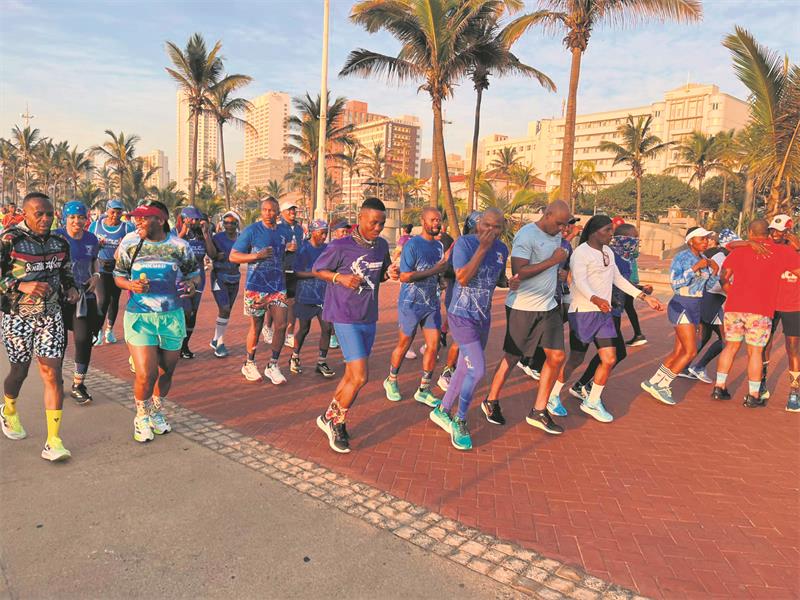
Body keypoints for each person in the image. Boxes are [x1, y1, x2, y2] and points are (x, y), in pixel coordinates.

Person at [550, 217, 663, 422]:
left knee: (610, 358)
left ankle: (592, 401)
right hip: (583, 313)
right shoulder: (581, 253)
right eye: (607, 230)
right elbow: (580, 281)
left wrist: (644, 297)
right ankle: (553, 395)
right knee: (576, 358)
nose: (611, 234)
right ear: (594, 232)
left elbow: (618, 279)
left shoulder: (608, 252)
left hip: (604, 314)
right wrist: (595, 298)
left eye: (612, 230)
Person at [481, 201, 573, 435]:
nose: (563, 229)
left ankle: (539, 410)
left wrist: (560, 272)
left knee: (557, 356)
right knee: (512, 357)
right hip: (523, 307)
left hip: (549, 306)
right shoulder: (527, 235)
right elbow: (520, 270)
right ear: (548, 214)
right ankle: (490, 400)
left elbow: (550, 265)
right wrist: (553, 261)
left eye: (565, 224)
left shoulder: (556, 237)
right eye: (560, 223)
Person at [0, 192, 80, 461]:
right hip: (17, 314)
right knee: (19, 370)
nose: (46, 218)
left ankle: (54, 441)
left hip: (51, 314)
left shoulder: (60, 241)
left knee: (52, 372)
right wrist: (19, 284)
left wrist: (71, 289)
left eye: (50, 213)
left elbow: (65, 271)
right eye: (39, 214)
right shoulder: (10, 239)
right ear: (25, 213)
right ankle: (9, 408)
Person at [312, 198, 394, 453]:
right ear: (360, 218)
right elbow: (318, 269)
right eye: (373, 223)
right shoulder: (340, 245)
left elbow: (381, 273)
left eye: (381, 224)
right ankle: (334, 421)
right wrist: (340, 278)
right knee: (361, 376)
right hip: (344, 315)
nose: (378, 228)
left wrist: (391, 273)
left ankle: (331, 417)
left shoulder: (380, 245)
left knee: (350, 376)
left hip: (368, 316)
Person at [115, 200, 199, 442]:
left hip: (172, 316)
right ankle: (141, 417)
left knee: (166, 370)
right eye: (136, 218)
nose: (137, 222)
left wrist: (191, 286)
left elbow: (194, 275)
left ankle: (156, 411)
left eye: (143, 218)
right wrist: (130, 284)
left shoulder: (179, 246)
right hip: (139, 316)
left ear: (160, 220)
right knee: (147, 374)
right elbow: (118, 276)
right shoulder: (130, 242)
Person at [427, 208, 508, 450]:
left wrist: (511, 282)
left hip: (482, 316)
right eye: (487, 226)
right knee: (478, 369)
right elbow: (462, 277)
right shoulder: (465, 244)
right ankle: (460, 419)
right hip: (461, 315)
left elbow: (498, 279)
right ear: (478, 224)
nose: (491, 232)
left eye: (497, 228)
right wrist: (482, 249)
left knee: (464, 367)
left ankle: (442, 410)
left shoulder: (503, 249)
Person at [712, 219, 800, 407]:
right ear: (768, 232)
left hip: (734, 307)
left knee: (731, 347)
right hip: (760, 309)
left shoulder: (740, 250)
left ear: (750, 232)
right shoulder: (781, 251)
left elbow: (723, 277)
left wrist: (732, 292)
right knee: (755, 352)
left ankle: (719, 387)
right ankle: (753, 395)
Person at [572, 222, 654, 399]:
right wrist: (595, 299)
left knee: (611, 353)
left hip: (611, 310)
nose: (635, 241)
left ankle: (585, 385)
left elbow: (619, 281)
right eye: (633, 237)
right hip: (598, 309)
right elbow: (587, 281)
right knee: (588, 355)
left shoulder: (621, 257)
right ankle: (581, 385)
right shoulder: (609, 255)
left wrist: (641, 292)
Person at [641, 227, 718, 405]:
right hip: (681, 304)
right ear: (691, 241)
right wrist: (694, 268)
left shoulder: (705, 259)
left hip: (696, 306)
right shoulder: (682, 258)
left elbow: (708, 286)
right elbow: (675, 283)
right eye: (702, 239)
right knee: (691, 351)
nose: (706, 242)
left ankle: (654, 381)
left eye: (707, 239)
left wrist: (715, 271)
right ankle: (663, 385)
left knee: (679, 350)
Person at [384, 207, 449, 407]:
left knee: (434, 345)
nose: (436, 223)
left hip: (431, 304)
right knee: (404, 345)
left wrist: (440, 280)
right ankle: (391, 380)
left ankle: (424, 389)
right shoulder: (413, 245)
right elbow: (404, 276)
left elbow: (437, 273)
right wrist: (434, 270)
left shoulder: (439, 246)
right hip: (410, 304)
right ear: (423, 221)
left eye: (438, 220)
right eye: (432, 220)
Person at [230, 197, 294, 385]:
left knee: (281, 325)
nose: (268, 214)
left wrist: (290, 249)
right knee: (256, 327)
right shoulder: (252, 231)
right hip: (256, 287)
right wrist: (256, 256)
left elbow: (287, 251)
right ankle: (249, 362)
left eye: (272, 210)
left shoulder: (284, 231)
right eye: (265, 210)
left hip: (277, 287)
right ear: (261, 211)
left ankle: (273, 364)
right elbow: (233, 256)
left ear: (277, 212)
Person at [517, 217, 581, 380]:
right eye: (565, 224)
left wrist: (566, 274)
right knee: (544, 330)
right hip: (538, 294)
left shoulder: (566, 245)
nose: (568, 228)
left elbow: (568, 267)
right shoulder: (539, 239)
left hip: (557, 293)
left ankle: (529, 359)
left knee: (553, 325)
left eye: (570, 225)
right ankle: (530, 361)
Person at [55, 201, 102, 404]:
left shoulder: (91, 238)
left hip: (83, 298)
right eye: (72, 217)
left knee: (83, 339)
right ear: (65, 218)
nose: (77, 221)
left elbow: (94, 260)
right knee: (59, 343)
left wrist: (97, 275)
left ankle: (78, 384)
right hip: (57, 299)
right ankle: (55, 382)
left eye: (80, 217)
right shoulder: (56, 237)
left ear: (86, 218)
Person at [762, 215, 800, 411]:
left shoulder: (796, 249)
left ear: (788, 232)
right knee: (764, 342)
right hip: (770, 303)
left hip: (793, 305)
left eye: (780, 231)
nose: (775, 234)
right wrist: (750, 243)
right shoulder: (767, 247)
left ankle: (794, 391)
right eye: (773, 230)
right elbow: (732, 246)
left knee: (792, 347)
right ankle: (761, 382)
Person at [290, 219, 335, 378]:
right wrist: (315, 274)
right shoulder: (303, 248)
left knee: (327, 328)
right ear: (313, 232)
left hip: (323, 296)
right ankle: (295, 356)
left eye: (326, 233)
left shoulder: (328, 248)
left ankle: (321, 362)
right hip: (305, 295)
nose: (324, 236)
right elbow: (296, 273)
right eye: (322, 233)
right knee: (304, 329)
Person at [89, 198, 134, 345]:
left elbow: (135, 245)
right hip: (101, 267)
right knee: (102, 300)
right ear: (107, 211)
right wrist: (97, 245)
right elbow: (88, 246)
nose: (115, 215)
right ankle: (97, 331)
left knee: (114, 300)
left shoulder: (127, 228)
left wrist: (124, 246)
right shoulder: (96, 226)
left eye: (118, 212)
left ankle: (109, 330)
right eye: (113, 212)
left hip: (118, 269)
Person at [174, 206, 215, 359]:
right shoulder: (175, 231)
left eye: (198, 219)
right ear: (184, 218)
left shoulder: (202, 233)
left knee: (193, 314)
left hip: (199, 278)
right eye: (193, 219)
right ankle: (175, 344)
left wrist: (206, 235)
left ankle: (184, 346)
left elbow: (212, 254)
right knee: (184, 311)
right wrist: (183, 232)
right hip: (180, 277)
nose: (196, 222)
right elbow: (172, 249)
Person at [208, 211, 242, 358]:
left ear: (236, 224)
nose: (229, 225)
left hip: (234, 277)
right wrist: (215, 255)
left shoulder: (241, 239)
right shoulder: (217, 238)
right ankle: (220, 343)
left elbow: (246, 254)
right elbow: (211, 254)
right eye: (225, 222)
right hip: (218, 277)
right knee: (224, 308)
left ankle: (215, 339)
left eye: (232, 223)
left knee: (227, 312)